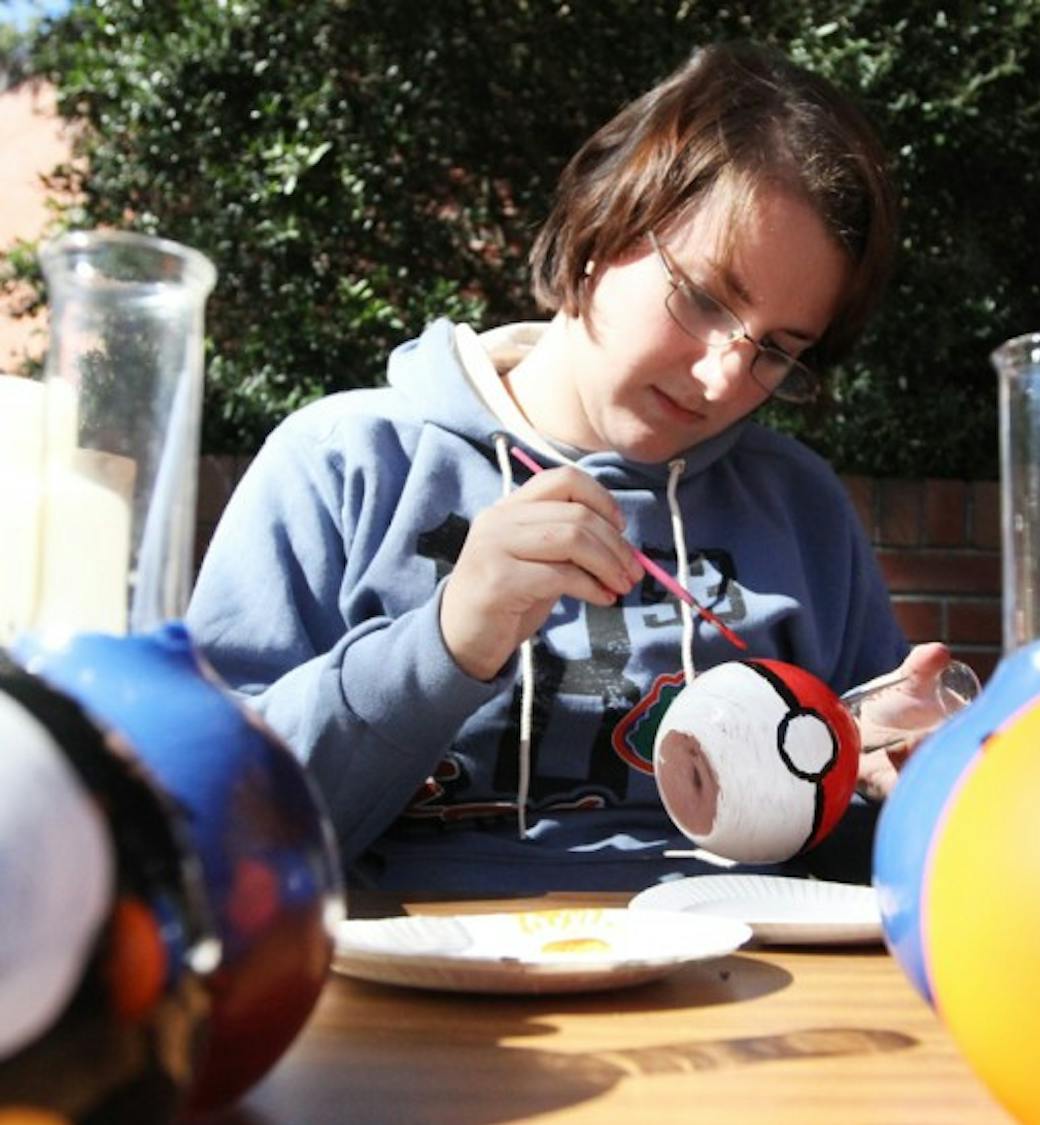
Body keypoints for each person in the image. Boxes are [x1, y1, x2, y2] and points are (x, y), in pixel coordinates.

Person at [186, 41, 952, 892]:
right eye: (701, 299)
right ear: (602, 227)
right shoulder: (346, 464)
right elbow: (213, 821)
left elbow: (854, 859)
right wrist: (444, 642)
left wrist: (885, 785)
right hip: (405, 986)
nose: (723, 378)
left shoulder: (800, 507)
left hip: (751, 992)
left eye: (777, 351)